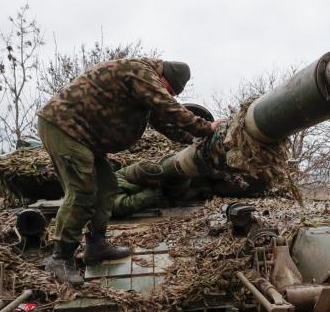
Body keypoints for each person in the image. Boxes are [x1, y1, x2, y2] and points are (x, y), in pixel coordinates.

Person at [37, 58, 222, 285]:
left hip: (84, 137)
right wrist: (205, 127)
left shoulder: (143, 86)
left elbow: (163, 122)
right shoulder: (140, 71)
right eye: (169, 89)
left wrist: (196, 141)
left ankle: (96, 245)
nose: (168, 94)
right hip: (64, 127)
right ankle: (60, 257)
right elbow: (168, 107)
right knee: (82, 193)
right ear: (163, 77)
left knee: (107, 186)